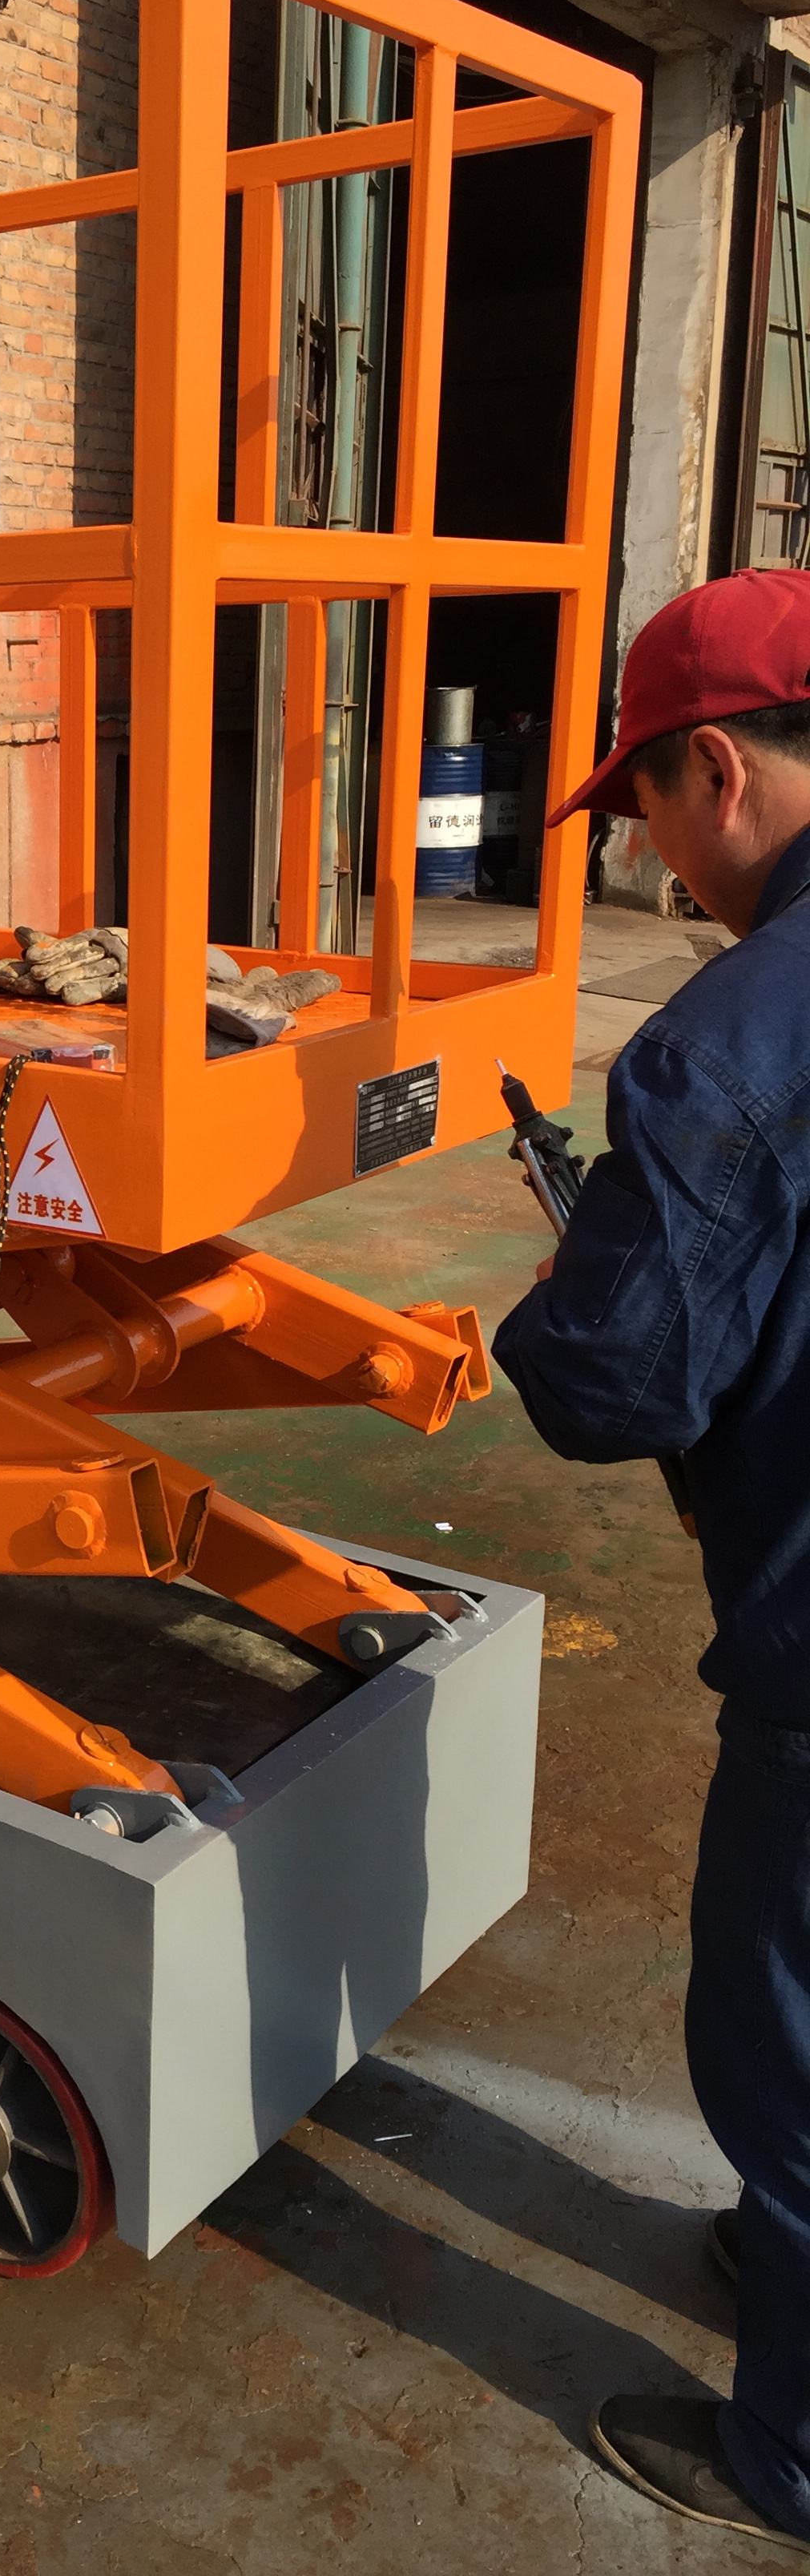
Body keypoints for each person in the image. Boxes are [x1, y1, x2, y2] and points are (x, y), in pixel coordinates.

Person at [494, 565, 810, 2550]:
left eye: (645, 814)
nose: (655, 862)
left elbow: (616, 1381)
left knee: (783, 2037)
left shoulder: (727, 1048)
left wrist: (568, 1289)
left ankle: (796, 2455)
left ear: (719, 770)